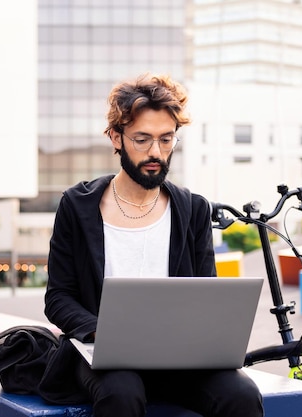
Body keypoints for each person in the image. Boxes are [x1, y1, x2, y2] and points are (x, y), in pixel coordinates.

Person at [44, 73, 264, 417]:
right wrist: (103, 331)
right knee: (122, 393)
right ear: (116, 138)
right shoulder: (77, 205)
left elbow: (206, 293)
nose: (156, 153)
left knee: (242, 394)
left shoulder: (193, 209)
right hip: (103, 356)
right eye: (142, 139)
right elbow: (58, 297)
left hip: (180, 357)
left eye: (166, 140)